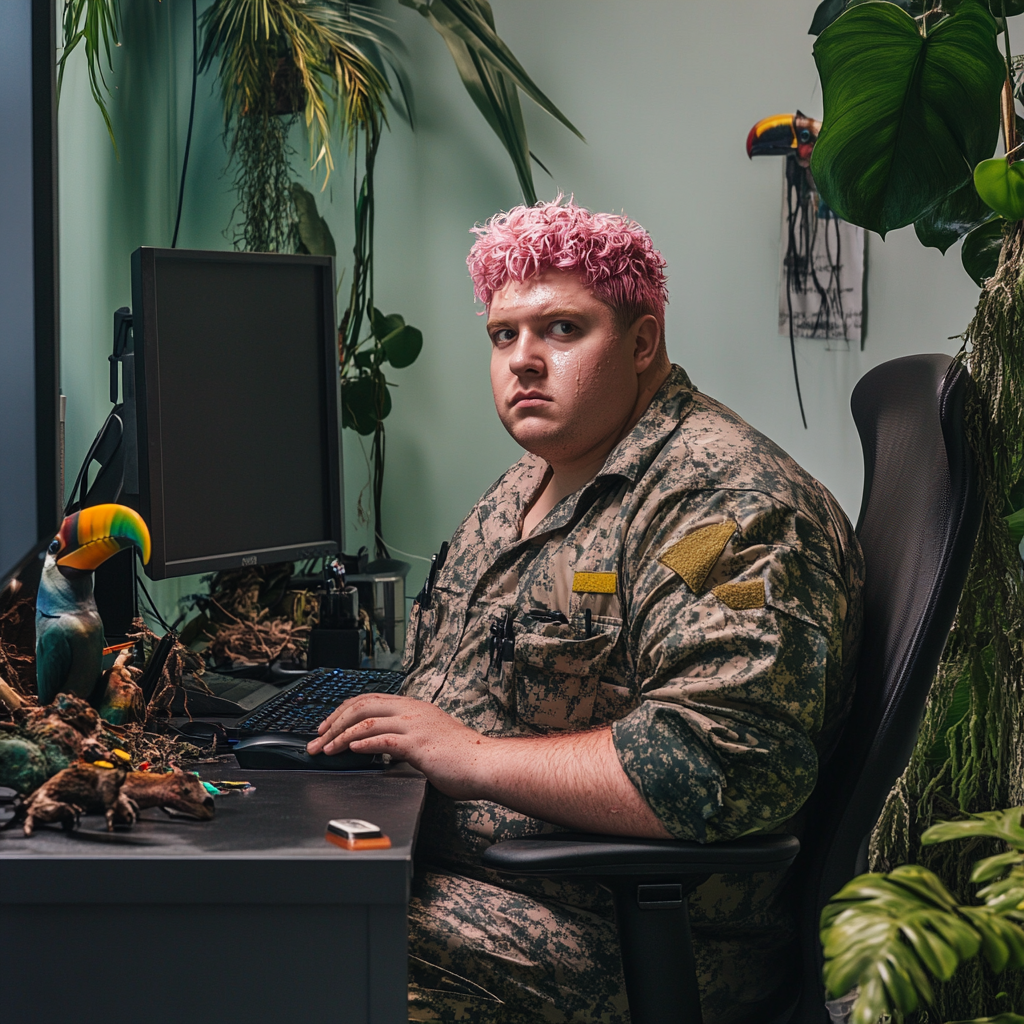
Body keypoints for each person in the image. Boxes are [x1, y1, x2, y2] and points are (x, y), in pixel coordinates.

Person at [307, 198, 864, 1023]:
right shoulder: (536, 477)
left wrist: (474, 757)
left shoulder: (721, 508)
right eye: (505, 336)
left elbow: (723, 766)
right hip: (469, 875)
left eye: (562, 330)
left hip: (603, 928)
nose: (524, 361)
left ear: (642, 344)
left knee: (281, 955)